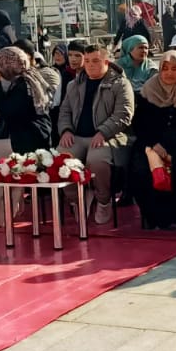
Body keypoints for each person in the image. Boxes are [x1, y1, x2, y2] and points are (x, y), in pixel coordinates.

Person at [0, 46, 53, 224]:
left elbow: (7, 110)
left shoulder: (24, 83)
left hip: (30, 137)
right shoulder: (22, 80)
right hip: (19, 133)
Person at [57, 44, 135, 225]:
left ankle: (103, 200)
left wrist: (103, 132)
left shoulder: (120, 84)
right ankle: (77, 200)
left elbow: (124, 114)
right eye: (88, 61)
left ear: (106, 62)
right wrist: (66, 130)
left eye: (96, 61)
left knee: (97, 161)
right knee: (61, 159)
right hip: (77, 136)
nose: (91, 65)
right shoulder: (73, 85)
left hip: (109, 137)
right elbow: (64, 112)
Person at [127, 51, 176, 230]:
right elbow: (140, 123)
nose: (169, 73)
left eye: (175, 68)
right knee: (139, 167)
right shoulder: (150, 88)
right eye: (165, 69)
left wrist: (166, 144)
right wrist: (153, 143)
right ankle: (153, 215)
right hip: (152, 141)